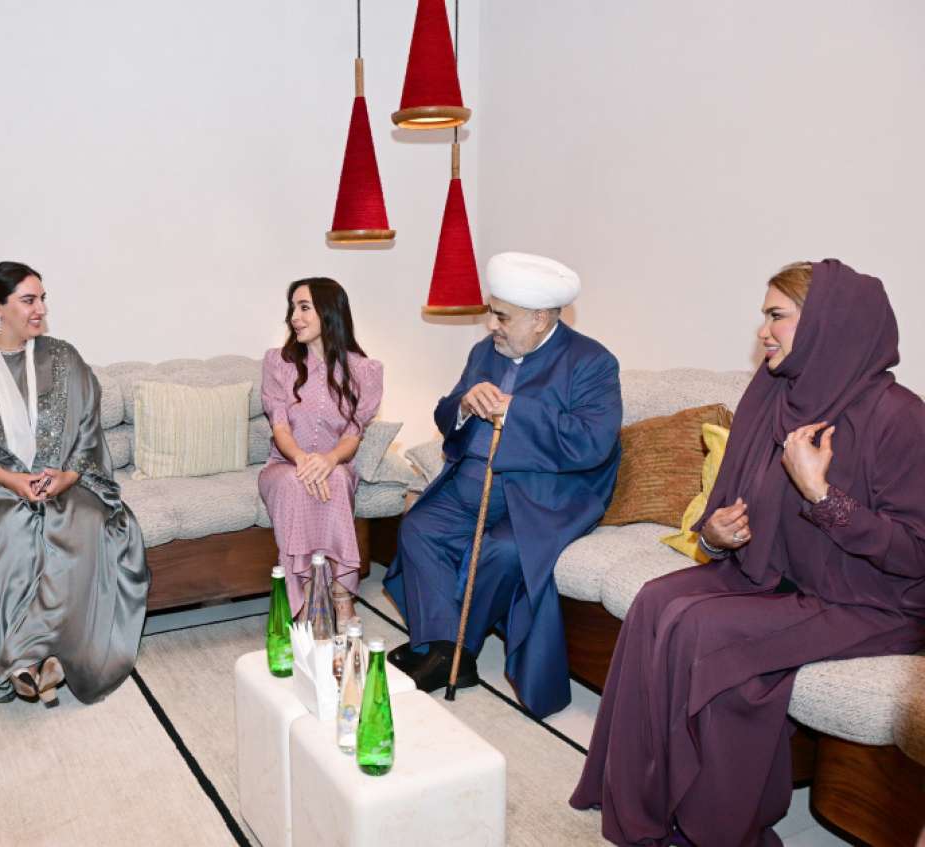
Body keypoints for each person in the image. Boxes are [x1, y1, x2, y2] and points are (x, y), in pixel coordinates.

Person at [570, 260, 925, 847]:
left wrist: (822, 495)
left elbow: (913, 552)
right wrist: (716, 534)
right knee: (655, 601)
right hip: (782, 576)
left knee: (704, 630)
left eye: (776, 316)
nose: (763, 332)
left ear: (826, 323)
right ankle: (639, 803)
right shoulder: (774, 392)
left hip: (874, 601)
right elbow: (729, 507)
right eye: (765, 316)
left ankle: (714, 831)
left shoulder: (901, 419)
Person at [384, 252, 622, 716]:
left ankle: (456, 649)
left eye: (502, 316)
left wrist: (516, 410)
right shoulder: (484, 352)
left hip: (541, 496)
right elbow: (446, 411)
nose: (492, 325)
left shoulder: (592, 361)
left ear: (540, 318)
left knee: (506, 550)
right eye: (492, 313)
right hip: (472, 482)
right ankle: (444, 649)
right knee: (419, 528)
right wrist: (464, 405)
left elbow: (593, 441)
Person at [0, 261, 149, 707]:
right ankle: (33, 659)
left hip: (63, 479)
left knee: (85, 523)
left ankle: (48, 658)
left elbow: (87, 430)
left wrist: (67, 476)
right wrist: (12, 479)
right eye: (29, 300)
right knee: (13, 531)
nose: (40, 309)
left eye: (42, 298)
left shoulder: (64, 359)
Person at [259, 277, 384, 622]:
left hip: (334, 462)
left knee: (339, 478)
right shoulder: (278, 363)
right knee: (293, 482)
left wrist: (329, 460)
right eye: (292, 309)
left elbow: (353, 435)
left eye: (304, 308)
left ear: (329, 313)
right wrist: (302, 460)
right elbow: (280, 428)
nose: (294, 318)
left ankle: (342, 596)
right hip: (285, 464)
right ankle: (303, 600)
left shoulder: (364, 371)